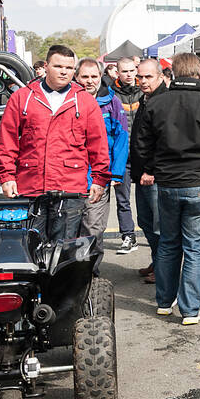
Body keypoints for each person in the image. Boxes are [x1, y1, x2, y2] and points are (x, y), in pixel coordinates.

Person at [133, 52, 200, 326]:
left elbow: (142, 145)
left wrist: (154, 169)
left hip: (167, 183)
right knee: (196, 248)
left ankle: (164, 303)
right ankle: (190, 310)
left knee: (168, 243)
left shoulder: (156, 103)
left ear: (172, 74)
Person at [0, 45, 108, 241]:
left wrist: (99, 180)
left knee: (63, 249)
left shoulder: (85, 101)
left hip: (70, 187)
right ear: (46, 66)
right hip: (31, 185)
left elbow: (98, 144)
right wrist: (6, 176)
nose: (64, 71)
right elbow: (7, 140)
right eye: (58, 66)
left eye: (69, 67)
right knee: (31, 246)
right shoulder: (23, 98)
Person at [75, 59, 130, 243]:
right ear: (76, 77)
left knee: (93, 227)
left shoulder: (113, 102)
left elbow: (122, 139)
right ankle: (70, 269)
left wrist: (116, 173)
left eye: (94, 76)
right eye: (85, 76)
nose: (89, 81)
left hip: (99, 175)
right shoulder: (69, 101)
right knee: (71, 227)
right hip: (72, 176)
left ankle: (90, 270)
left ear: (100, 77)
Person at [128, 58, 166, 283]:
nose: (142, 81)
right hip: (141, 173)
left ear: (160, 76)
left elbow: (162, 141)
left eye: (148, 76)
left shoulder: (162, 100)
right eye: (139, 76)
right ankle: (157, 261)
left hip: (154, 176)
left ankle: (163, 268)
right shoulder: (145, 99)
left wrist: (150, 170)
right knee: (145, 222)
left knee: (158, 226)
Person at [111, 57, 145, 254]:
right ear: (117, 72)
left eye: (132, 70)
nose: (129, 74)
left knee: (147, 202)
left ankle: (151, 235)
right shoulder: (110, 94)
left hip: (142, 155)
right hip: (121, 156)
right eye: (124, 71)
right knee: (122, 200)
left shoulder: (145, 91)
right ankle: (128, 236)